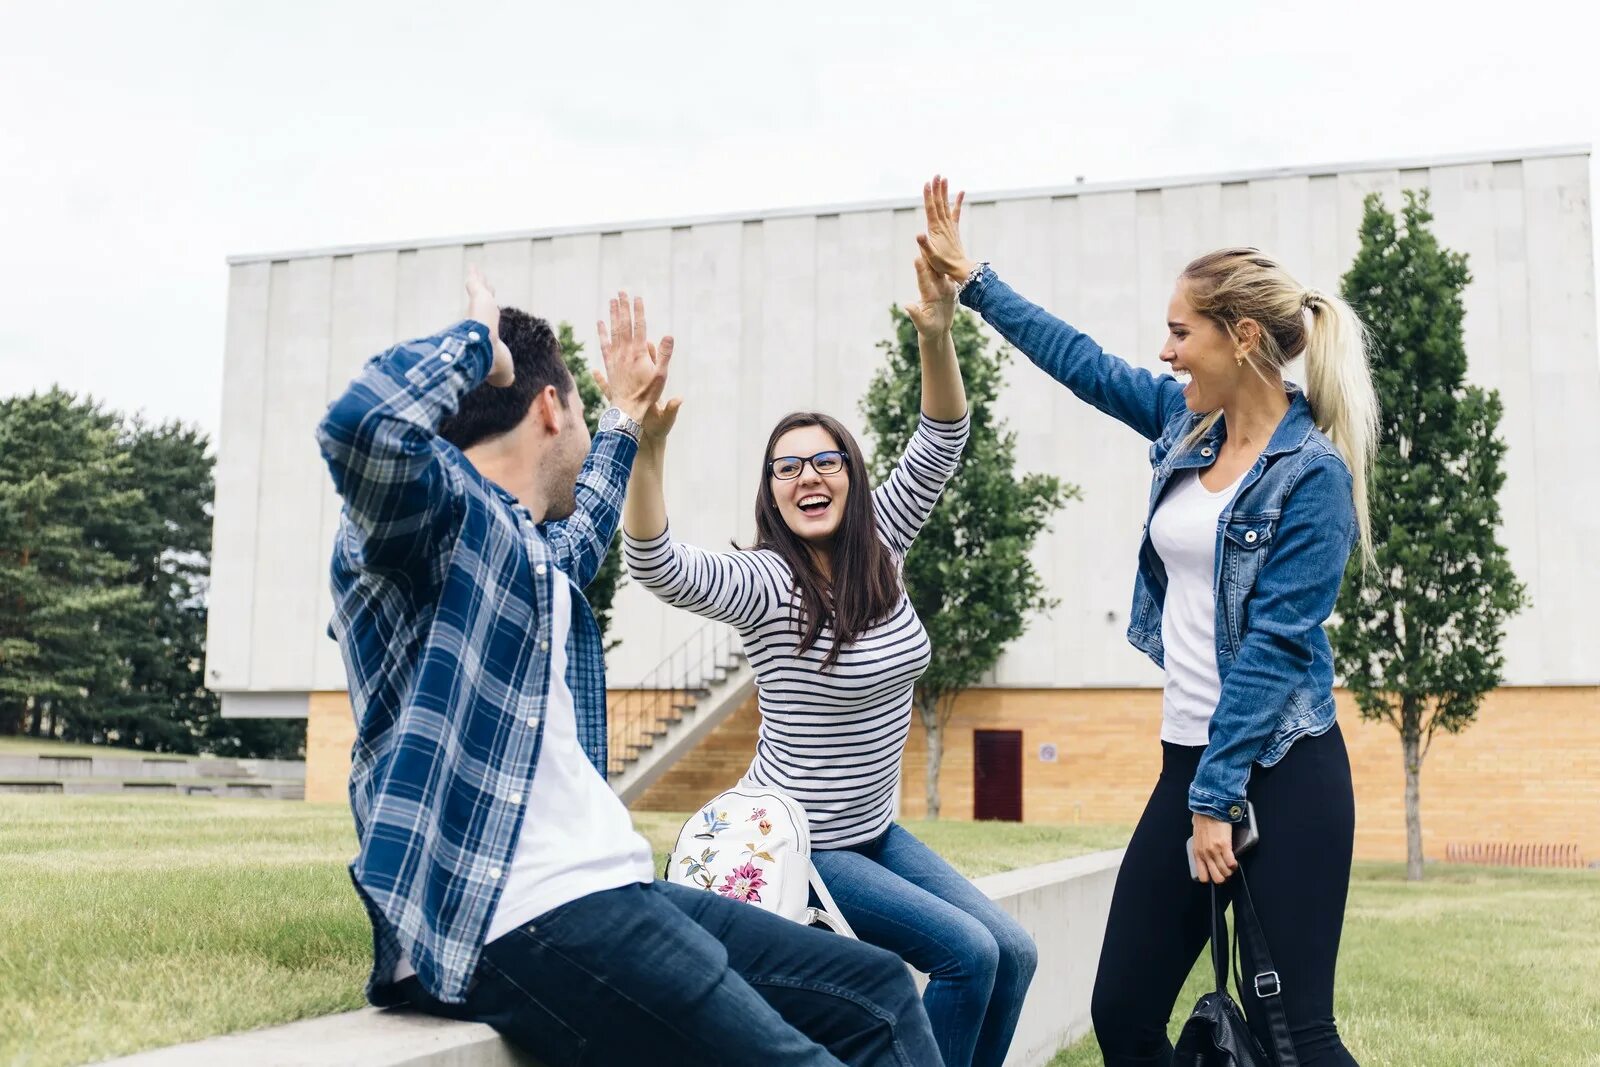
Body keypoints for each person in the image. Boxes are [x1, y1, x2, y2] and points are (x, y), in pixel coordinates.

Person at [316, 268, 941, 1067]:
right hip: (516, 909)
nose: (587, 426)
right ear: (549, 407)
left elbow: (583, 535)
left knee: (880, 994)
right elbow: (359, 425)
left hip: (608, 889)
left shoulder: (521, 548)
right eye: (581, 407)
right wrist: (480, 345)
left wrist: (625, 420)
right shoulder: (423, 524)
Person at [916, 176, 1370, 1065]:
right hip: (1189, 762)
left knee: (1293, 1032)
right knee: (1123, 1010)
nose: (1165, 352)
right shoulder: (1184, 426)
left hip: (1283, 769)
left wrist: (1216, 799)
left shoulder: (1313, 475)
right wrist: (974, 285)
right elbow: (1079, 360)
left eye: (1179, 331)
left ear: (1241, 339)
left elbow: (1277, 650)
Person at [621, 189, 1035, 1067]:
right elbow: (656, 562)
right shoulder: (767, 584)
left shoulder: (884, 540)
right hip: (804, 839)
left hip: (876, 826)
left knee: (1016, 951)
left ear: (849, 471)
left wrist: (934, 332)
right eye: (786, 468)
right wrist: (646, 447)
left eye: (824, 460)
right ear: (771, 492)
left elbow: (945, 432)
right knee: (967, 956)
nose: (807, 477)